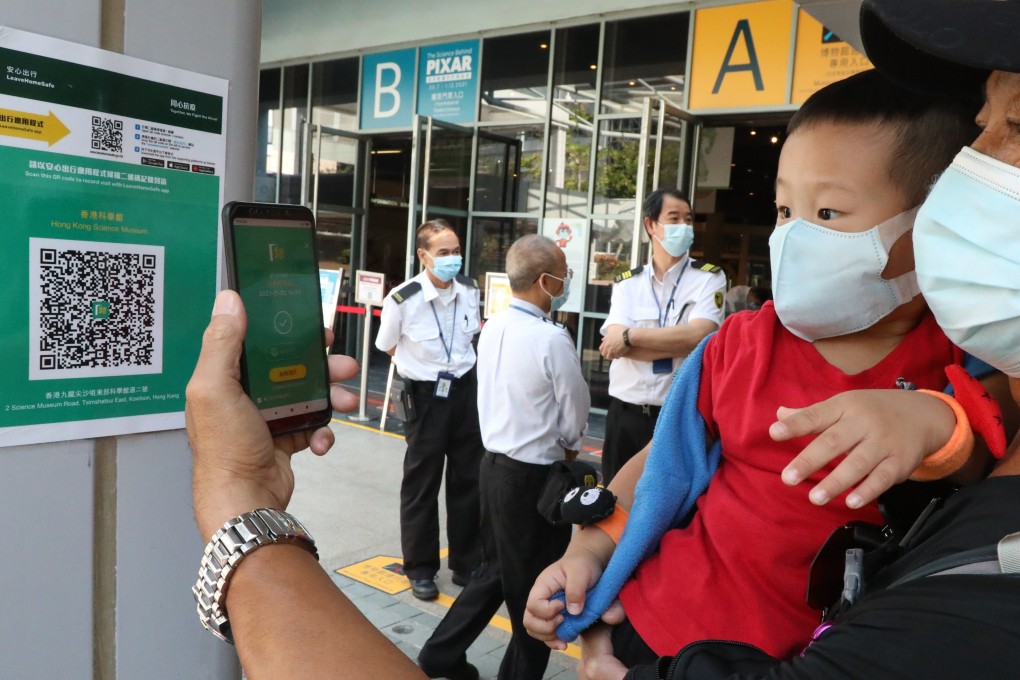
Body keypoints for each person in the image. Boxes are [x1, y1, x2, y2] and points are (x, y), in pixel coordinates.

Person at [524, 67, 1016, 668]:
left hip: (800, 657)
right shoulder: (742, 344)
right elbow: (663, 466)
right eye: (785, 210)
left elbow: (990, 444)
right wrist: (589, 552)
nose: (793, 236)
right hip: (659, 626)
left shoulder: (964, 349)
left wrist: (935, 426)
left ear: (934, 221)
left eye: (829, 213)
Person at [416, 234, 591, 680]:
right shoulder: (552, 339)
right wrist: (570, 444)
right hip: (533, 479)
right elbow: (574, 409)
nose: (568, 281)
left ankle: (440, 654)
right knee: (536, 590)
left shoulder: (492, 325)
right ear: (546, 281)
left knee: (495, 571)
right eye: (564, 274)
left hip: (492, 468)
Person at [374, 219, 483, 600]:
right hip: (424, 397)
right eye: (443, 253)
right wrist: (419, 371)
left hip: (466, 391)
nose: (452, 259)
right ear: (423, 256)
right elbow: (387, 345)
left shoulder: (469, 291)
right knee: (422, 484)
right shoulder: (402, 299)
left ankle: (466, 562)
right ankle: (420, 567)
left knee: (469, 480)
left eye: (456, 252)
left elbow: (471, 338)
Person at [598, 189, 727, 484]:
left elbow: (699, 336)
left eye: (688, 219)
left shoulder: (709, 278)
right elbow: (613, 344)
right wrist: (669, 342)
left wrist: (631, 339)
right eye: (674, 218)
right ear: (651, 226)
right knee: (613, 504)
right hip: (625, 415)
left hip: (675, 417)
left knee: (668, 507)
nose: (684, 225)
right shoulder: (627, 283)